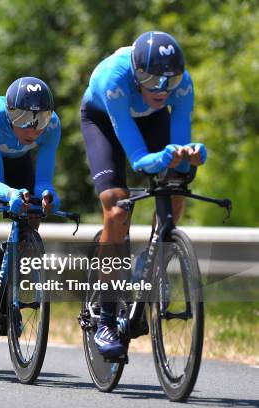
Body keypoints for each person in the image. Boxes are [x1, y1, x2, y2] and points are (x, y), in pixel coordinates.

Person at [80, 31, 207, 358]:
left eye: (170, 80)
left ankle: (151, 264)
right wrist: (162, 158)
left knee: (176, 181)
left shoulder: (180, 85)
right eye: (151, 79)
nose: (161, 89)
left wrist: (187, 156)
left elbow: (178, 147)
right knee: (117, 207)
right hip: (103, 120)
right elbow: (138, 158)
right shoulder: (115, 78)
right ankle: (106, 317)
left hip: (150, 119)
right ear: (136, 72)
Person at [0, 76, 61, 304]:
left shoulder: (52, 125)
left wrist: (48, 195)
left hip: (18, 158)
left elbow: (44, 180)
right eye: (23, 118)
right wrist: (10, 194)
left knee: (34, 206)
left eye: (40, 119)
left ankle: (12, 258)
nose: (32, 129)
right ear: (9, 112)